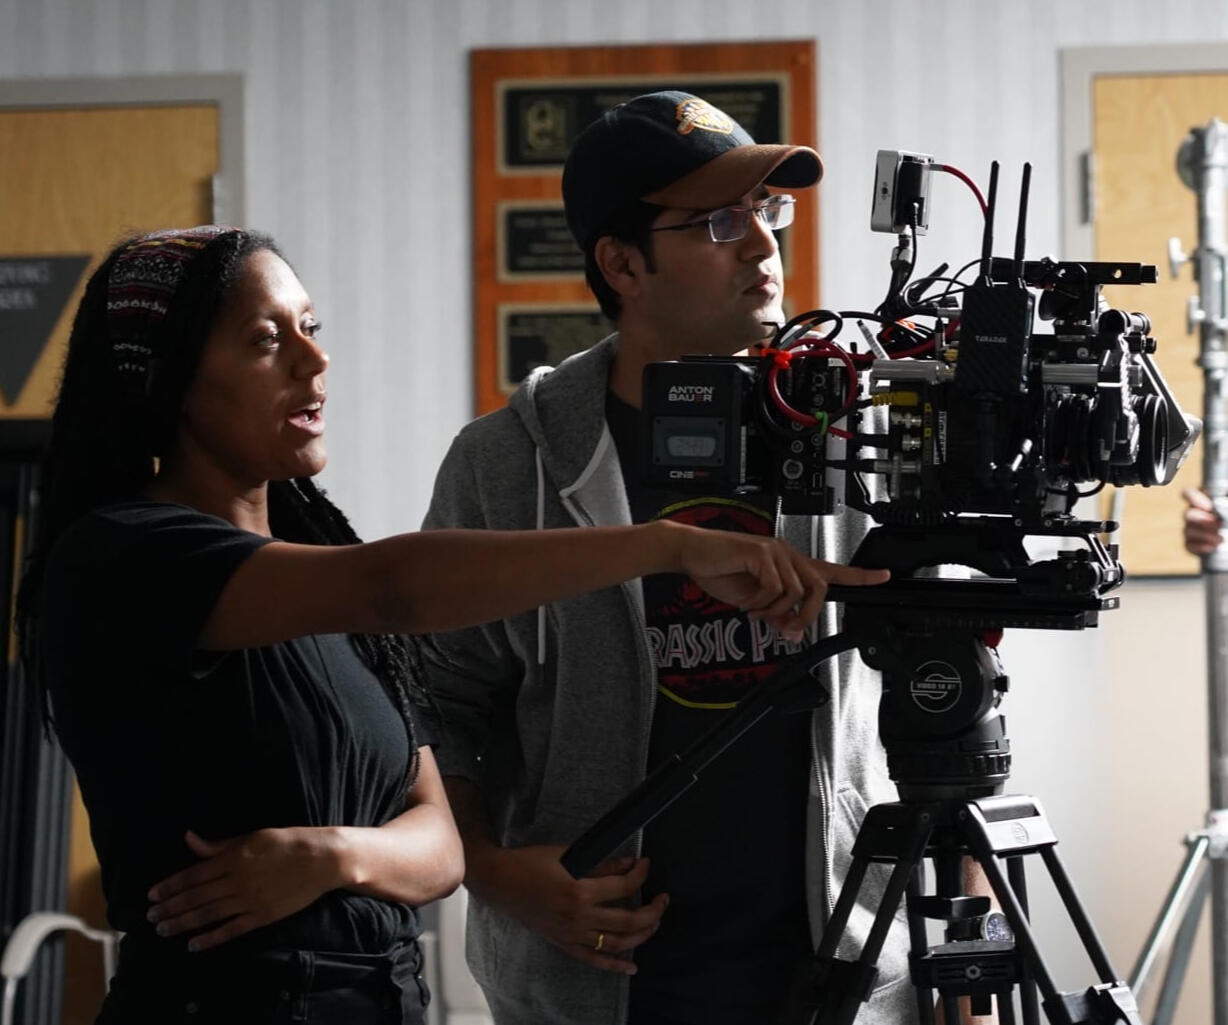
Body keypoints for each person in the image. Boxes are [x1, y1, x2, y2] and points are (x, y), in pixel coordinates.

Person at [17, 225, 872, 1025]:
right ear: (165, 380)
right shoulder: (123, 558)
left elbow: (438, 846)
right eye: (266, 340)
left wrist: (333, 856)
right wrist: (664, 547)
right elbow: (394, 585)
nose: (315, 361)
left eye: (311, 326)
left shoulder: (318, 572)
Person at [419, 91, 918, 1025]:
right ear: (621, 264)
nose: (763, 246)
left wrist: (958, 956)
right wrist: (497, 875)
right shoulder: (507, 462)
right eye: (721, 222)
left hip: (841, 972)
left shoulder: (861, 429)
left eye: (769, 213)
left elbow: (947, 692)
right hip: (592, 981)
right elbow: (432, 707)